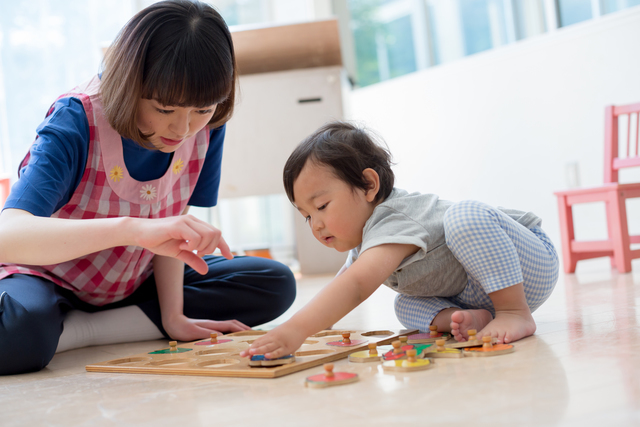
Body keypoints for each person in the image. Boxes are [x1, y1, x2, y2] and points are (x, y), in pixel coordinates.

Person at [0, 0, 296, 375]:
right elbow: (8, 234)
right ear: (130, 84)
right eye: (165, 109)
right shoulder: (76, 118)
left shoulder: (209, 124)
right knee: (20, 330)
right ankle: (64, 327)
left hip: (132, 279)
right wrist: (133, 229)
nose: (182, 129)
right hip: (48, 279)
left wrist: (174, 316)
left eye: (201, 110)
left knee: (273, 283)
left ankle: (73, 332)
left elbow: (176, 224)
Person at [241, 121, 559, 360]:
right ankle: (473, 320)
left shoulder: (394, 218)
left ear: (368, 185)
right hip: (478, 292)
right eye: (307, 215)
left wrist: (295, 331)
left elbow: (355, 286)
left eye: (322, 206)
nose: (317, 224)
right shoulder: (363, 242)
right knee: (405, 304)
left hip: (526, 263)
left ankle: (515, 312)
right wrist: (302, 328)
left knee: (466, 215)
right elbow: (338, 290)